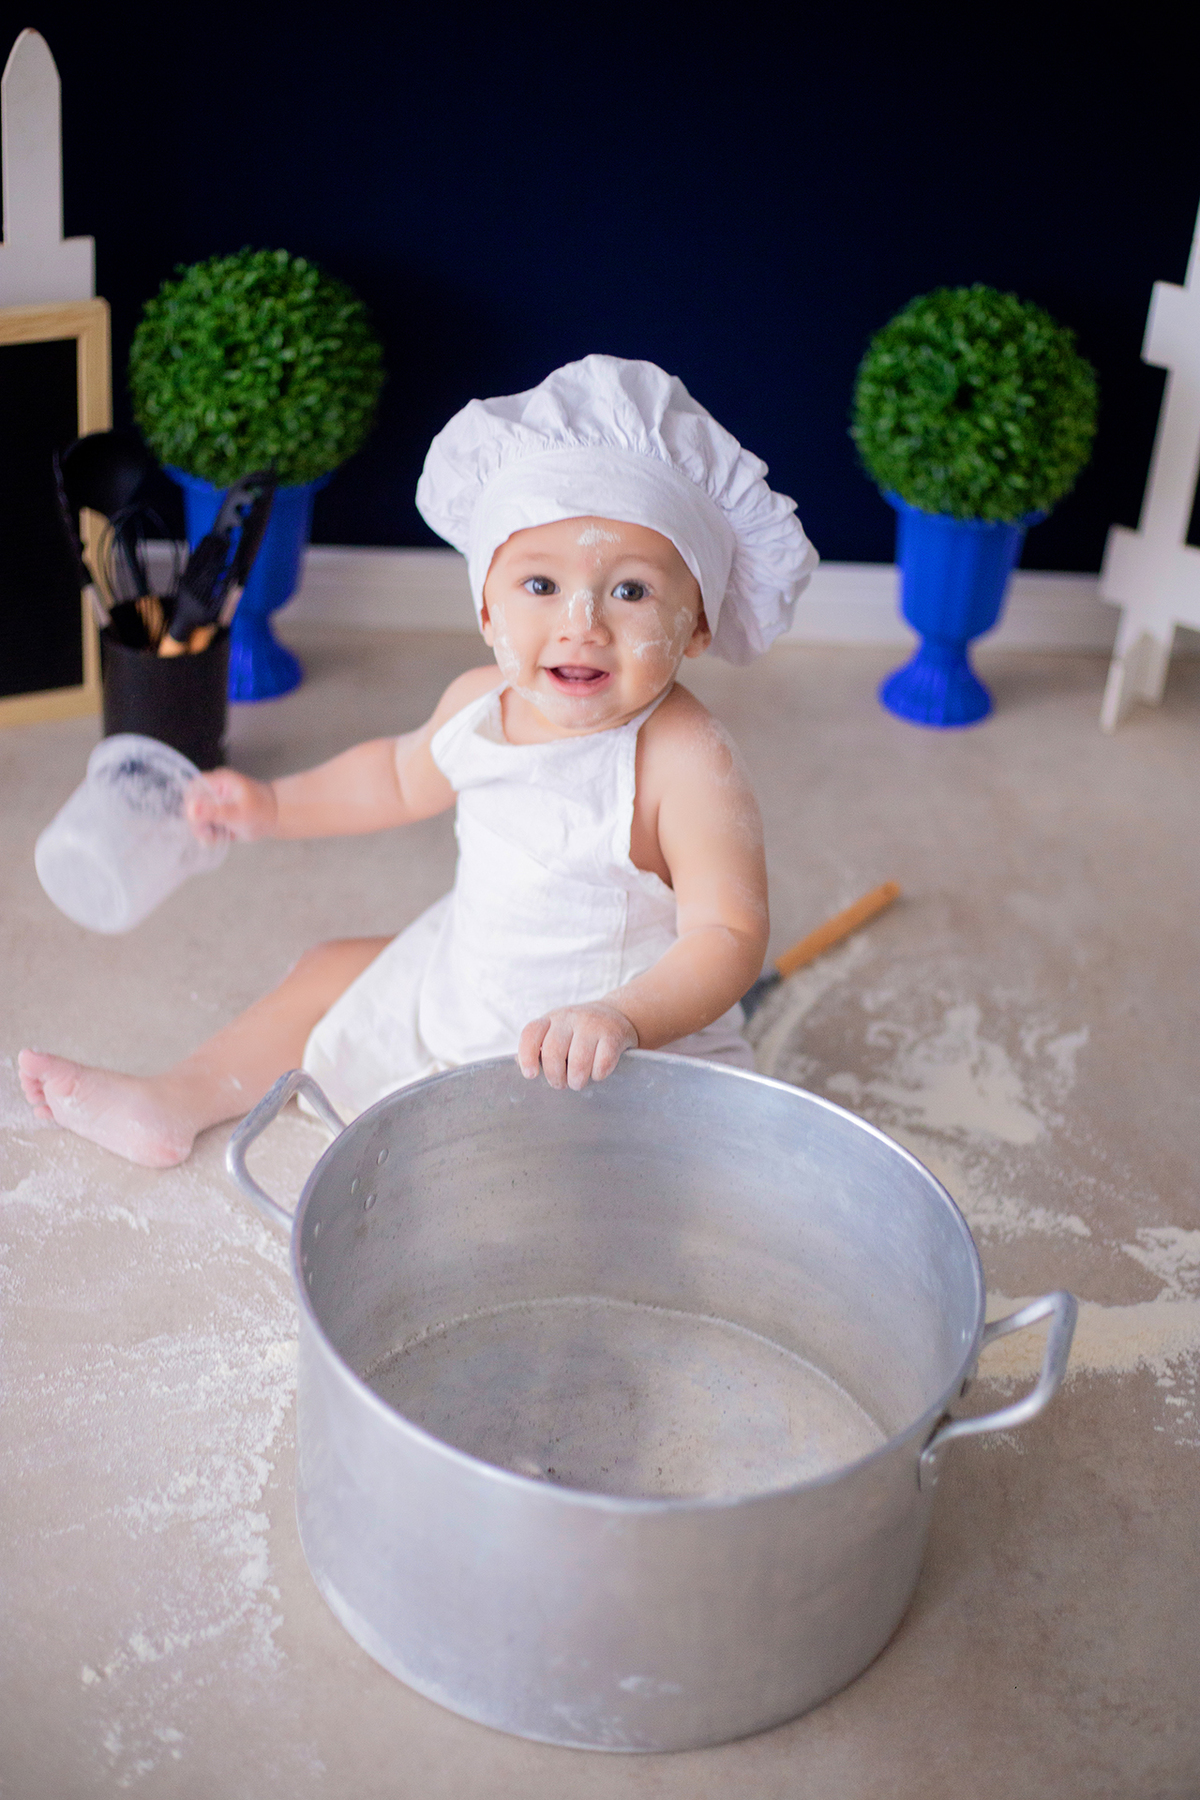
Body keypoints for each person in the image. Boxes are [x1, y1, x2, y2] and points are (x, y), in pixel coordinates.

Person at [19, 355, 816, 1167]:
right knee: (331, 969)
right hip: (474, 980)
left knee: (563, 1175)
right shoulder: (481, 703)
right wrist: (272, 806)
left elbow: (726, 933)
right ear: (484, 606)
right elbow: (395, 776)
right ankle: (175, 1100)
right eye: (539, 585)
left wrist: (623, 1017)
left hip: (602, 1052)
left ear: (700, 623)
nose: (581, 624)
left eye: (632, 592)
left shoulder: (685, 757)